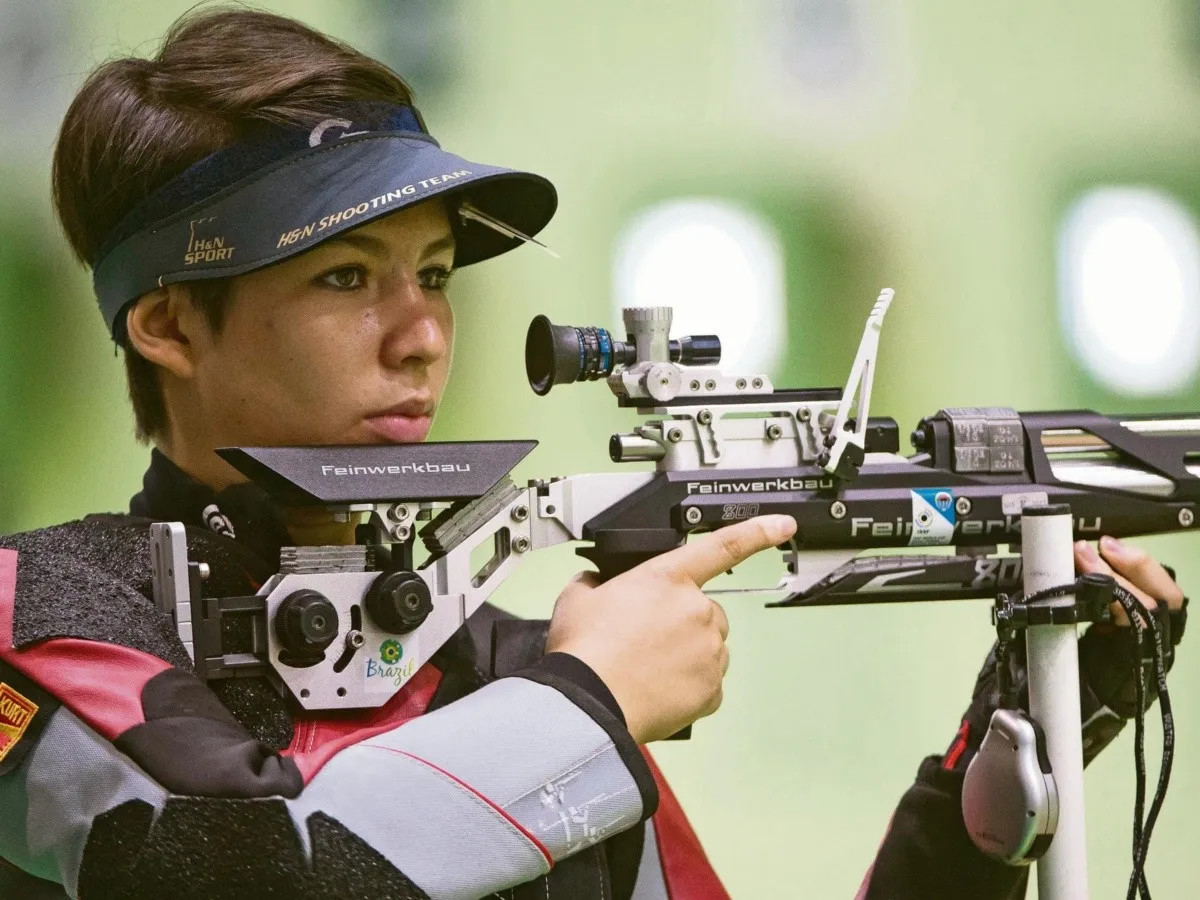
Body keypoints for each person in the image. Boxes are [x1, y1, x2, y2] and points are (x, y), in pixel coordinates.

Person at [0, 8, 1185, 899]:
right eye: (345, 277)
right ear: (164, 323)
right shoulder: (41, 612)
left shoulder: (504, 672)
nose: (421, 336)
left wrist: (986, 792)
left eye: (436, 275)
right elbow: (257, 866)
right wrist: (591, 698)